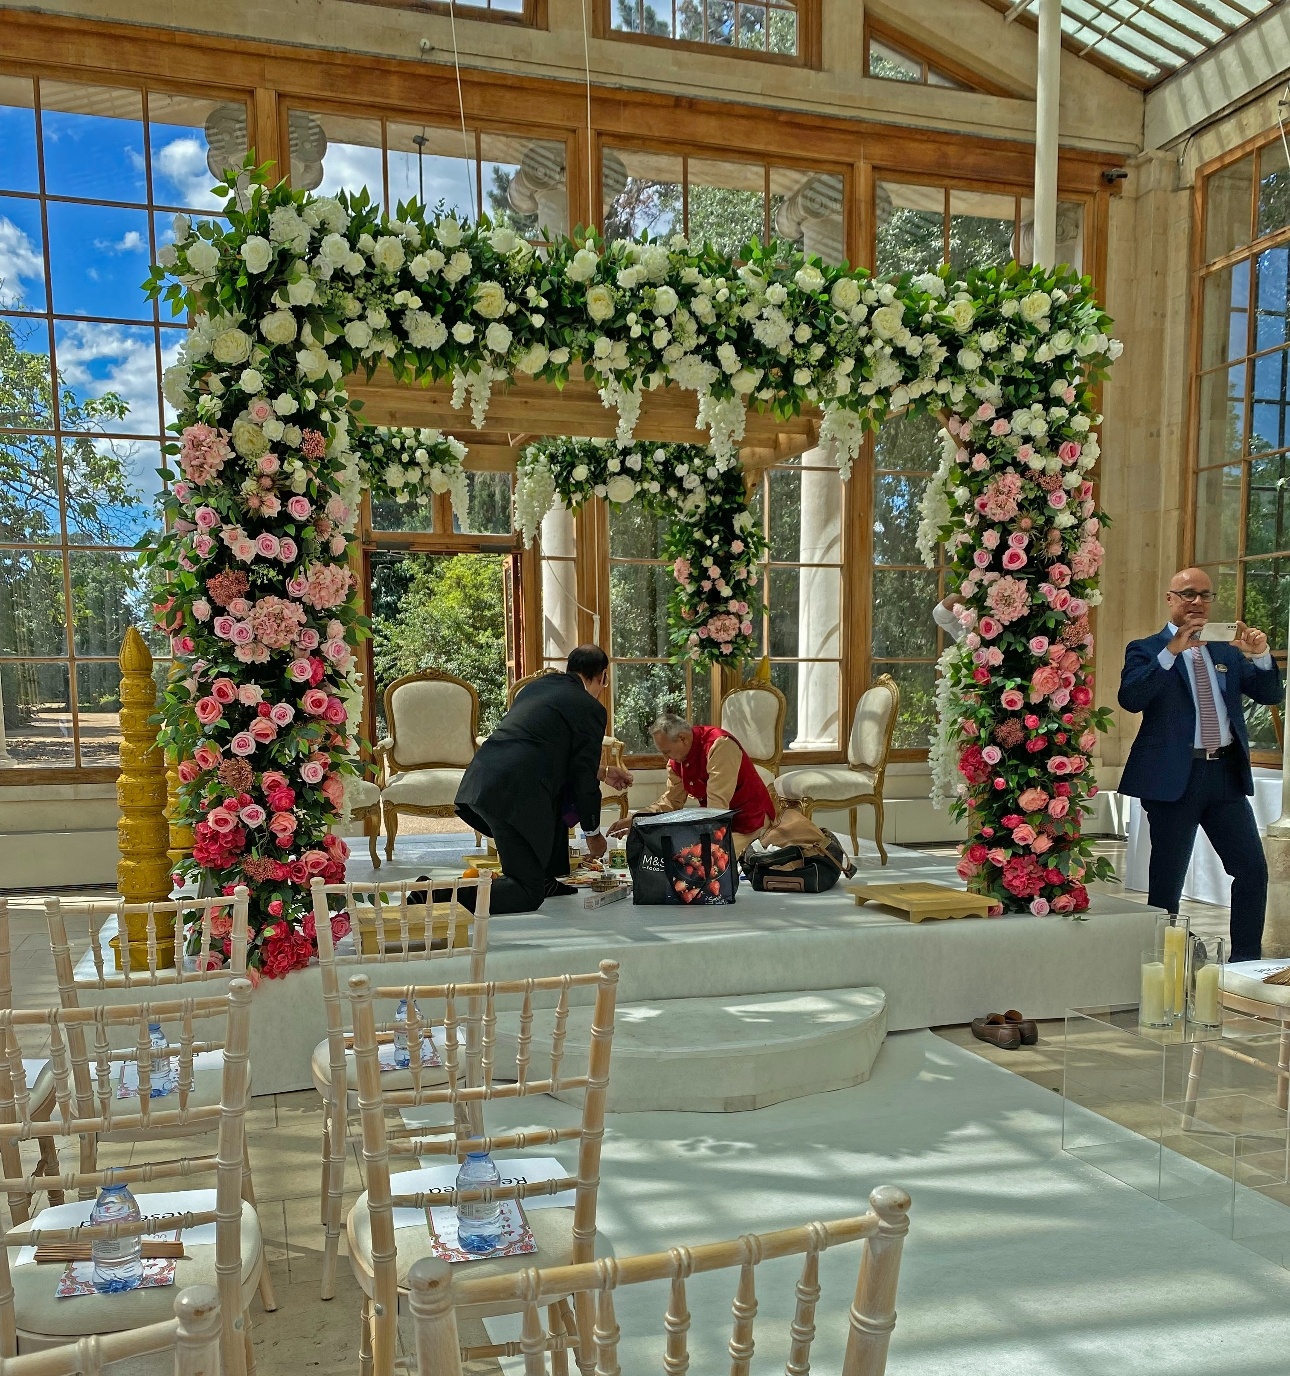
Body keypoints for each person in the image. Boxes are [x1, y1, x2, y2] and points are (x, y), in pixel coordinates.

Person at [1117, 567, 1282, 960]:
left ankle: (1244, 960)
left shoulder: (1226, 651)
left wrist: (1259, 655)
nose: (1197, 602)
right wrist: (1172, 650)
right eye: (1188, 594)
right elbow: (1132, 698)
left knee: (1252, 870)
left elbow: (1270, 693)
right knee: (1167, 881)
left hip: (1223, 775)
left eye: (1205, 595)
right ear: (1170, 599)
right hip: (1173, 779)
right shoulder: (1146, 648)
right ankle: (1162, 963)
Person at [454, 646, 632, 914]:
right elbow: (583, 780)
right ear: (602, 677)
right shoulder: (589, 708)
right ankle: (435, 894)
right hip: (512, 797)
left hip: (482, 781)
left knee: (558, 796)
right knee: (526, 892)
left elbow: (548, 751)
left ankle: (547, 879)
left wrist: (604, 771)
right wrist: (593, 833)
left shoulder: (536, 688)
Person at [608, 713, 777, 857]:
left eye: (667, 751)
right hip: (717, 823)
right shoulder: (676, 761)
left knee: (698, 859)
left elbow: (717, 808)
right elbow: (670, 803)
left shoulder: (719, 745)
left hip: (749, 822)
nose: (666, 758)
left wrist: (692, 842)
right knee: (676, 854)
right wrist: (636, 820)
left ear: (682, 738)